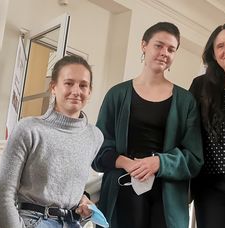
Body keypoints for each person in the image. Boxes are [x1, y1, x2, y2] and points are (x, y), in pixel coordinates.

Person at [92, 22, 204, 228]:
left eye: (171, 49)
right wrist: (126, 162)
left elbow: (194, 158)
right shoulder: (116, 95)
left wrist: (159, 163)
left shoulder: (186, 101)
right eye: (159, 45)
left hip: (166, 198)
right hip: (122, 192)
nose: (164, 53)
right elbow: (97, 149)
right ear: (144, 45)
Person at [0, 55, 104, 228]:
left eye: (83, 85)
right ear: (53, 87)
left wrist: (83, 203)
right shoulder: (29, 128)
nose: (76, 91)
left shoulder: (95, 136)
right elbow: (3, 196)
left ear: (89, 91)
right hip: (32, 221)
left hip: (73, 223)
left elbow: (68, 185)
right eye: (68, 83)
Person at [189, 23, 225, 228]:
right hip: (209, 184)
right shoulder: (200, 85)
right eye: (220, 46)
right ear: (213, 53)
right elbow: (188, 129)